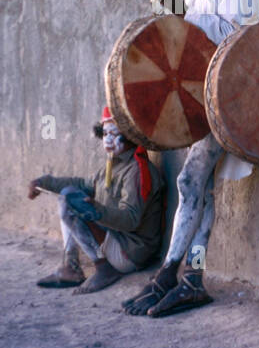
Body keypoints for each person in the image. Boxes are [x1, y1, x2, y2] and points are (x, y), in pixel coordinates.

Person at [121, 0, 259, 317]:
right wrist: (170, 7)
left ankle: (171, 274)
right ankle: (191, 277)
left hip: (230, 87)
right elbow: (192, 28)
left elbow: (242, 33)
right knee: (198, 185)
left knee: (191, 181)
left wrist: (185, 16)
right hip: (199, 86)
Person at [30, 108, 164, 293]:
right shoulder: (112, 165)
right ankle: (71, 267)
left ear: (130, 136)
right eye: (105, 133)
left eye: (114, 134)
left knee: (70, 201)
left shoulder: (136, 171)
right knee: (68, 195)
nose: (107, 139)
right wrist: (44, 182)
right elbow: (82, 184)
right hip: (116, 240)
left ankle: (104, 268)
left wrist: (97, 211)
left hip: (130, 253)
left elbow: (132, 219)